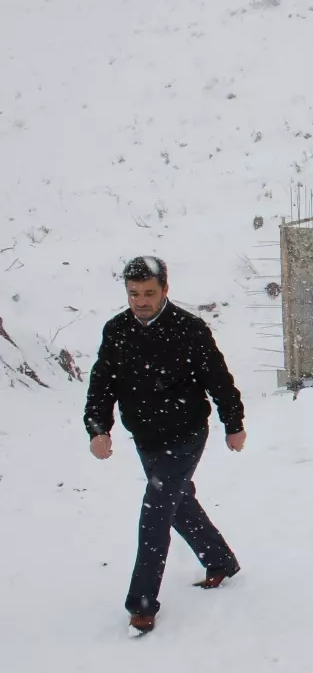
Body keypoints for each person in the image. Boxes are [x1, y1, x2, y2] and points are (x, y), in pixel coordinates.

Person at [84, 257, 245, 636]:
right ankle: (220, 561)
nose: (140, 301)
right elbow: (101, 384)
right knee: (177, 502)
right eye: (133, 294)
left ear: (165, 290)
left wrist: (233, 423)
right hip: (146, 438)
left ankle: (141, 604)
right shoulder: (117, 330)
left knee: (155, 512)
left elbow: (218, 379)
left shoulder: (189, 329)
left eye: (148, 293)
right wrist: (97, 428)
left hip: (187, 433)